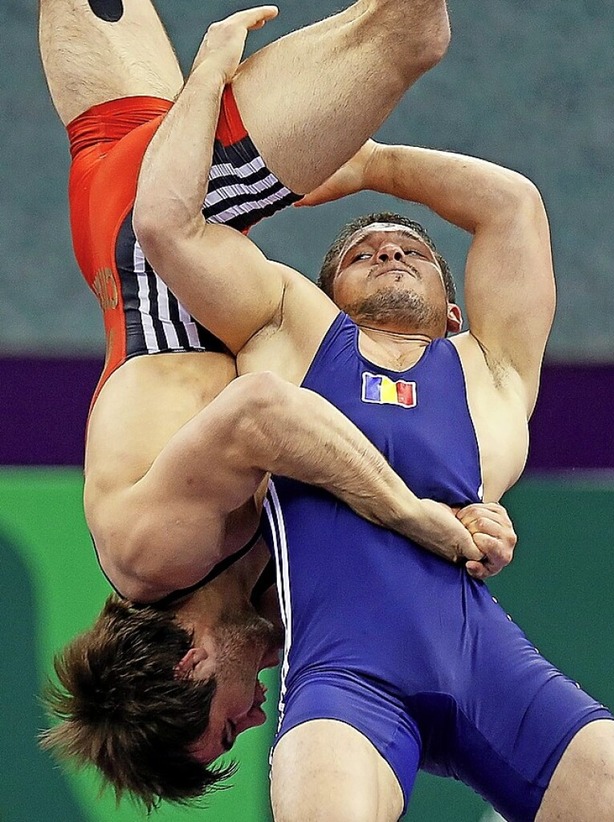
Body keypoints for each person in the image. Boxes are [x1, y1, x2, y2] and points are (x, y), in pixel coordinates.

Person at [132, 39, 614, 822]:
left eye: (409, 251)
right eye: (363, 253)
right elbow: (166, 227)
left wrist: (375, 166)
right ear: (330, 295)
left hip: (495, 675)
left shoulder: (491, 369)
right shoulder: (292, 329)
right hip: (346, 684)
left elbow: (512, 207)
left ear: (453, 313)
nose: (388, 248)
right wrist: (205, 75)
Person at [40, 0, 516, 811]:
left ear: (188, 664)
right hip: (120, 179)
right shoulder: (253, 593)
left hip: (173, 218)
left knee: (410, 31)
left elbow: (265, 413)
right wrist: (477, 518)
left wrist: (410, 513)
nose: (258, 714)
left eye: (229, 725)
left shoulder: (149, 553)